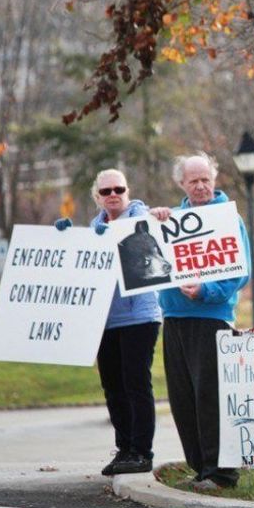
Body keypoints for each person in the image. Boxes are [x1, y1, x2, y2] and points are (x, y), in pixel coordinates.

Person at [54, 169, 163, 476]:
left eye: (118, 188)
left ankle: (142, 451)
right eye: (106, 191)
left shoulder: (142, 219)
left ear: (128, 191)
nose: (113, 194)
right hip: (104, 319)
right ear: (97, 197)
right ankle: (125, 448)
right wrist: (63, 238)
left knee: (135, 383)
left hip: (139, 316)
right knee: (113, 386)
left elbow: (147, 230)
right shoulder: (94, 230)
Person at [158, 152, 250, 492]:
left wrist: (206, 291)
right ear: (181, 184)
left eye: (205, 179)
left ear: (214, 179)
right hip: (174, 318)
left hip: (211, 318)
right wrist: (155, 220)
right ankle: (200, 467)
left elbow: (241, 273)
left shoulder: (228, 219)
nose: (200, 186)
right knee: (183, 400)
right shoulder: (172, 219)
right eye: (193, 180)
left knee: (211, 396)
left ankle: (222, 472)